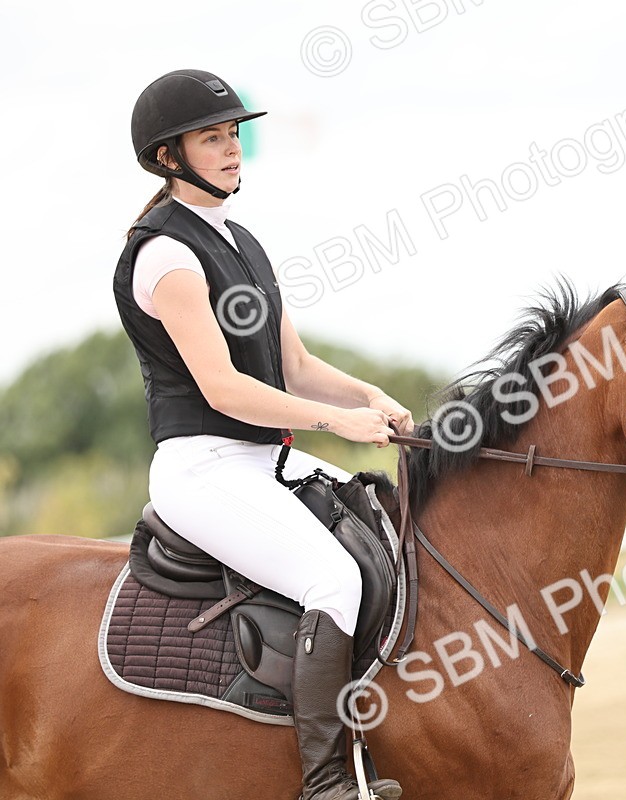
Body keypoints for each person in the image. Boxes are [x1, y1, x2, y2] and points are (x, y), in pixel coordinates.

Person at [114, 69, 409, 800]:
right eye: (212, 138)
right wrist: (339, 423)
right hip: (203, 467)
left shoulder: (240, 241)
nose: (231, 149)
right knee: (332, 580)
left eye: (234, 135)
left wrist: (370, 396)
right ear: (168, 157)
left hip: (261, 460)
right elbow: (223, 388)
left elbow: (295, 366)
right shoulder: (166, 255)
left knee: (390, 527)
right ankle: (327, 781)